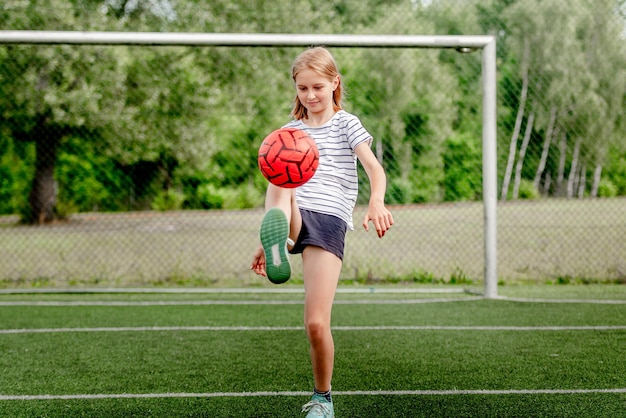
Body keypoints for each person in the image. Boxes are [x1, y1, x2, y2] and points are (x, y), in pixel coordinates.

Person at [250, 46, 394, 418]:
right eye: (302, 89)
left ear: (334, 83)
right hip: (295, 210)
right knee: (279, 158)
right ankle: (277, 236)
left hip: (330, 218)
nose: (310, 96)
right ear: (295, 89)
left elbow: (374, 169)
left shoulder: (347, 123)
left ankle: (322, 396)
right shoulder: (290, 131)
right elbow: (280, 179)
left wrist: (375, 201)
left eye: (317, 87)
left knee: (316, 323)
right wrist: (268, 243)